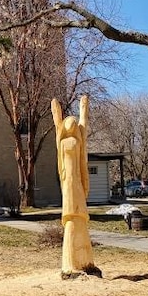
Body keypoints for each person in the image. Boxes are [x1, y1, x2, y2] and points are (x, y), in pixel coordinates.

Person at [51, 96, 101, 277]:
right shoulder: (62, 140)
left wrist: (83, 109)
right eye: (68, 123)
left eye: (74, 123)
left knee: (80, 216)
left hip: (77, 179)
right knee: (71, 216)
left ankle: (86, 261)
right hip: (67, 180)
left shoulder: (79, 139)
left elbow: (83, 124)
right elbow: (58, 125)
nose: (71, 125)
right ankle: (71, 263)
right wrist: (56, 112)